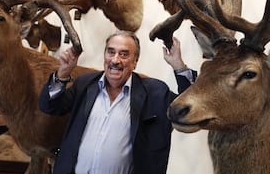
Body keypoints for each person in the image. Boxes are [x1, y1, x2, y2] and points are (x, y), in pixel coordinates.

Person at [39, 31, 196, 174]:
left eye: (124, 54)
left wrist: (178, 65)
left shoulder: (154, 93)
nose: (115, 60)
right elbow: (49, 105)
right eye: (111, 52)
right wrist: (63, 73)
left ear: (135, 62)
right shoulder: (84, 84)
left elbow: (191, 107)